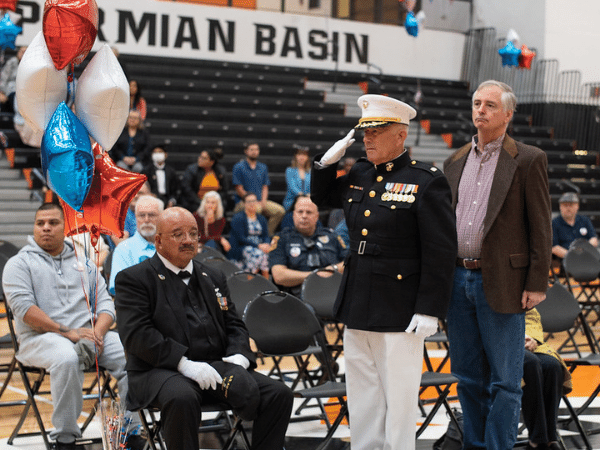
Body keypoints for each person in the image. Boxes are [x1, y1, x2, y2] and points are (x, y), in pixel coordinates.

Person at [311, 94, 457, 450]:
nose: (368, 138)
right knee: (362, 396)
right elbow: (324, 198)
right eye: (365, 132)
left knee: (400, 400)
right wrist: (324, 165)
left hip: (400, 306)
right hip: (358, 299)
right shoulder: (360, 171)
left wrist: (430, 308)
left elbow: (440, 250)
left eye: (378, 131)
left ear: (401, 135)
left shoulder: (426, 181)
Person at [114, 207, 293, 450]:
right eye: (177, 234)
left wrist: (239, 356)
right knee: (182, 397)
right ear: (158, 241)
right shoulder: (135, 279)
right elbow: (137, 335)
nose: (188, 240)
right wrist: (183, 363)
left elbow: (234, 323)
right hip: (159, 371)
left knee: (278, 393)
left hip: (216, 368)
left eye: (193, 233)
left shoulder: (213, 275)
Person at [443, 80, 552, 450]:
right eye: (476, 103)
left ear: (507, 114)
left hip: (504, 280)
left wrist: (537, 282)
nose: (480, 111)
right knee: (468, 378)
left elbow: (540, 225)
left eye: (490, 105)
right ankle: (474, 445)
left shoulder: (528, 158)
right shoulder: (454, 160)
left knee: (506, 381)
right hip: (458, 280)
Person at [1, 203, 140, 450]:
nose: (45, 228)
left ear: (65, 227)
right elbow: (25, 311)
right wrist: (68, 333)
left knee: (132, 351)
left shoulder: (83, 262)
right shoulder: (18, 264)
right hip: (39, 338)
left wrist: (97, 334)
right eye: (40, 223)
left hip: (89, 334)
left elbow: (106, 303)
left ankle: (131, 430)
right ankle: (65, 438)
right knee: (67, 357)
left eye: (53, 223)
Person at [269, 195, 348, 297]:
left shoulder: (332, 236)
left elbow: (349, 263)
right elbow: (279, 276)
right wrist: (315, 275)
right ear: (293, 215)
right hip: (296, 298)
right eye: (300, 212)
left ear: (317, 216)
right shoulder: (281, 239)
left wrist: (334, 269)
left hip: (331, 293)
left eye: (309, 212)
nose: (304, 216)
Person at [522, 308, 572, 450]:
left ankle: (550, 438)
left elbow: (531, 315)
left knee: (552, 366)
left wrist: (530, 337)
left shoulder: (516, 287)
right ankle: (537, 441)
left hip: (524, 341)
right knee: (530, 364)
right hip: (497, 343)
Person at [108, 195, 163, 295]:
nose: (146, 220)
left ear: (162, 217)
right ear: (135, 218)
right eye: (142, 215)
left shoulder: (170, 247)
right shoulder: (124, 249)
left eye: (151, 215)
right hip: (138, 306)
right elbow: (119, 287)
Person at [232, 142, 285, 235]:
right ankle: (254, 234)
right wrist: (252, 201)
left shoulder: (263, 167)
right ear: (246, 151)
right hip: (243, 201)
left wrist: (263, 201)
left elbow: (265, 186)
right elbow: (239, 189)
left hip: (260, 200)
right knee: (257, 209)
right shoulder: (238, 167)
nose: (254, 152)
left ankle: (267, 234)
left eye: (256, 149)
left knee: (279, 211)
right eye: (251, 149)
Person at [228, 193, 271, 277]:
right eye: (249, 201)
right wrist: (259, 246)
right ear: (244, 204)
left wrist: (266, 244)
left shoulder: (262, 218)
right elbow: (241, 238)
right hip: (243, 246)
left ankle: (266, 284)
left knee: (266, 254)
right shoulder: (238, 218)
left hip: (259, 246)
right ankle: (248, 280)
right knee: (259, 254)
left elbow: (266, 235)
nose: (252, 203)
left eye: (254, 201)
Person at [180, 148, 229, 212]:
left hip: (214, 202)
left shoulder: (220, 171)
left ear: (212, 162)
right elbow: (186, 188)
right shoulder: (191, 170)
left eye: (204, 158)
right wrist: (201, 202)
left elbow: (225, 190)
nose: (200, 159)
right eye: (200, 157)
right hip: (195, 202)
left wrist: (214, 201)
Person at [552, 191, 598, 259]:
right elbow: (554, 247)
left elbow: (594, 239)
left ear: (577, 206)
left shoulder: (585, 220)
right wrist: (572, 256)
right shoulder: (554, 223)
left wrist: (584, 250)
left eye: (571, 205)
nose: (568, 208)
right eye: (565, 205)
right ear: (560, 207)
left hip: (586, 256)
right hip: (566, 259)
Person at [282, 145, 312, 211]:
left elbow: (313, 187)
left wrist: (308, 196)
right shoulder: (289, 170)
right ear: (295, 156)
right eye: (299, 154)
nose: (302, 157)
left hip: (308, 200)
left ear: (307, 157)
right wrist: (301, 196)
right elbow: (292, 187)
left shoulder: (311, 171)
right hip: (292, 201)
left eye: (304, 155)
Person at [0, 45, 26, 113]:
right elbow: (4, 78)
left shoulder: (30, 65)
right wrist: (1, 92)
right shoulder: (12, 62)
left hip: (25, 91)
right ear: (18, 52)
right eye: (22, 52)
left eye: (25, 52)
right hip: (12, 90)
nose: (23, 54)